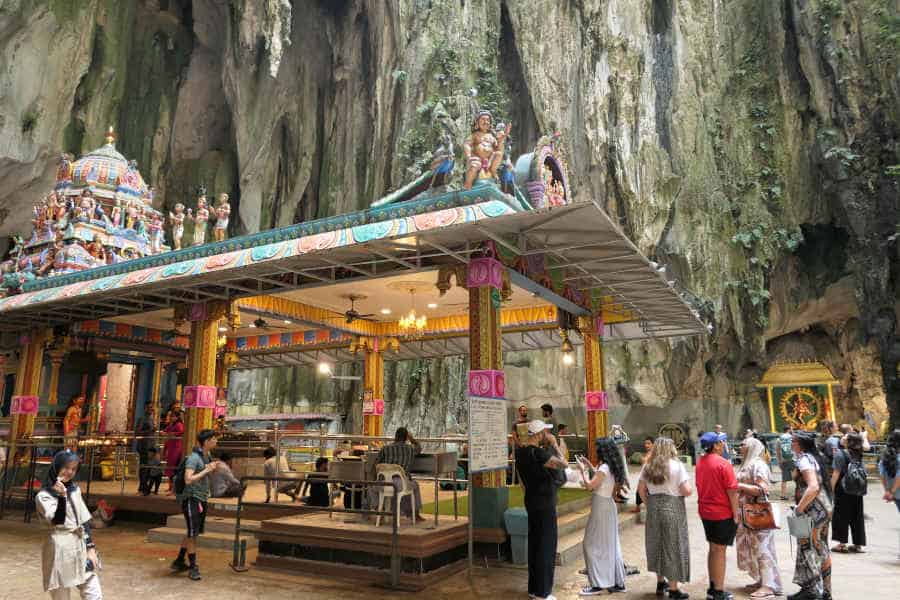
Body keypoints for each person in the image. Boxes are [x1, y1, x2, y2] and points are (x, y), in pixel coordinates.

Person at [35, 450, 103, 600]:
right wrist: (61, 497)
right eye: (66, 467)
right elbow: (57, 520)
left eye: (73, 469)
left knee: (93, 592)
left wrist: (91, 548)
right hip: (59, 548)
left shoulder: (74, 490)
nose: (69, 472)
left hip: (79, 545)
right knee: (61, 595)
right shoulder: (43, 496)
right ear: (56, 467)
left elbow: (83, 520)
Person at [515, 420, 567, 600]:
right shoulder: (539, 453)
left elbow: (522, 481)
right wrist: (555, 445)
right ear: (539, 434)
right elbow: (563, 464)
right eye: (546, 432)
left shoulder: (520, 452)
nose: (548, 434)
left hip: (531, 500)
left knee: (535, 544)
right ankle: (543, 592)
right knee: (546, 545)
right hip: (545, 503)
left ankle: (533, 588)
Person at [638, 437, 692, 599]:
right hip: (672, 507)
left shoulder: (648, 466)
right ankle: (674, 589)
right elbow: (687, 490)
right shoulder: (677, 466)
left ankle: (661, 582)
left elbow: (641, 490)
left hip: (654, 507)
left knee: (657, 543)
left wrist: (649, 504)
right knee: (673, 545)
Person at [578, 437, 627, 596]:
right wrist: (590, 466)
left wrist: (582, 470)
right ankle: (617, 582)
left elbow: (591, 486)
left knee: (590, 544)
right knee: (611, 545)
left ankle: (598, 584)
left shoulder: (604, 468)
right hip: (607, 506)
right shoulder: (610, 466)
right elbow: (601, 480)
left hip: (601, 507)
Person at [171, 429, 221, 581]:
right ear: (206, 442)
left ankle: (179, 560)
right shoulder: (194, 458)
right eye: (214, 439)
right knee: (193, 534)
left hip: (201, 498)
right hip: (191, 498)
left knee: (193, 531)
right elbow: (188, 479)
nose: (216, 441)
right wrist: (207, 470)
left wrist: (210, 469)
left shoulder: (206, 456)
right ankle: (193, 567)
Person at [735, 437, 782, 599]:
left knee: (763, 549)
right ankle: (761, 580)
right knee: (754, 548)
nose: (740, 447)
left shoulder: (758, 464)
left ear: (752, 447)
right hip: (746, 513)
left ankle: (768, 586)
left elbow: (763, 489)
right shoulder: (747, 464)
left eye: (743, 445)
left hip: (757, 513)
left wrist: (739, 486)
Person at [788, 431, 833, 600]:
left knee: (810, 548)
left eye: (793, 441)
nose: (791, 443)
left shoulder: (805, 459)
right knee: (821, 547)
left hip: (812, 510)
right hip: (823, 508)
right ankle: (823, 592)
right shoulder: (814, 457)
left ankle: (814, 591)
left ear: (800, 444)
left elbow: (813, 486)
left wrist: (799, 508)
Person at [696, 431, 739, 600]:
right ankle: (719, 591)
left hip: (706, 512)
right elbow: (732, 491)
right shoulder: (723, 464)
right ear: (714, 445)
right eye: (720, 443)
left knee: (713, 548)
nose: (723, 445)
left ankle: (713, 587)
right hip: (722, 513)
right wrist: (736, 514)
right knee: (720, 551)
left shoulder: (701, 462)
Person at [374, 427, 425, 521]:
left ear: (395, 436)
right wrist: (412, 439)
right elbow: (418, 447)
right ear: (406, 438)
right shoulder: (410, 449)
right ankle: (414, 514)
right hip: (401, 483)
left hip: (384, 483)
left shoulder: (385, 448)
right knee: (414, 485)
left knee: (372, 485)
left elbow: (377, 464)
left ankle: (379, 510)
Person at [830, 432, 866, 553]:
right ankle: (858, 544)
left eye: (845, 437)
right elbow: (866, 445)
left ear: (848, 441)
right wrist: (863, 437)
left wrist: (831, 490)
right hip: (857, 488)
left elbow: (836, 474)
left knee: (841, 516)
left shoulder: (840, 454)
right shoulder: (859, 453)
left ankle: (842, 544)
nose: (842, 437)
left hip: (843, 489)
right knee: (857, 516)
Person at [878, 430, 900, 558]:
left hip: (896, 495)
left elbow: (881, 475)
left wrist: (888, 491)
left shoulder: (885, 457)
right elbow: (899, 476)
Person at [162, 410, 184, 494]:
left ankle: (173, 489)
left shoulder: (179, 424)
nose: (171, 418)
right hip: (171, 448)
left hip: (176, 448)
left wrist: (171, 434)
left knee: (174, 468)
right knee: (170, 468)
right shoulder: (171, 424)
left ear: (177, 417)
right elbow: (165, 431)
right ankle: (170, 487)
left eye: (173, 416)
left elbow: (181, 432)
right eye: (171, 416)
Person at [135, 411, 156, 495]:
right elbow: (137, 433)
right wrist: (149, 430)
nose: (150, 409)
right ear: (145, 408)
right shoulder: (142, 419)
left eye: (151, 408)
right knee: (144, 467)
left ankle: (144, 486)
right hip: (143, 446)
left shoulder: (151, 419)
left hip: (150, 446)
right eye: (149, 408)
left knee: (148, 468)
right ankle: (142, 486)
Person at [633, 437, 655, 513]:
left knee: (644, 491)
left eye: (649, 443)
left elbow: (645, 461)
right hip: (645, 475)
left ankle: (644, 507)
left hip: (650, 475)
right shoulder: (648, 453)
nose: (646, 445)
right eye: (645, 443)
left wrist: (641, 458)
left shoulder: (654, 453)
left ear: (653, 444)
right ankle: (638, 507)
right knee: (640, 490)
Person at [776, 426, 795, 499]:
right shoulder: (792, 438)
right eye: (791, 429)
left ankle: (783, 495)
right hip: (793, 459)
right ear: (789, 430)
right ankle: (797, 493)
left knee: (784, 479)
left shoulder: (779, 439)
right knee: (796, 477)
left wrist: (779, 461)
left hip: (784, 460)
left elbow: (778, 451)